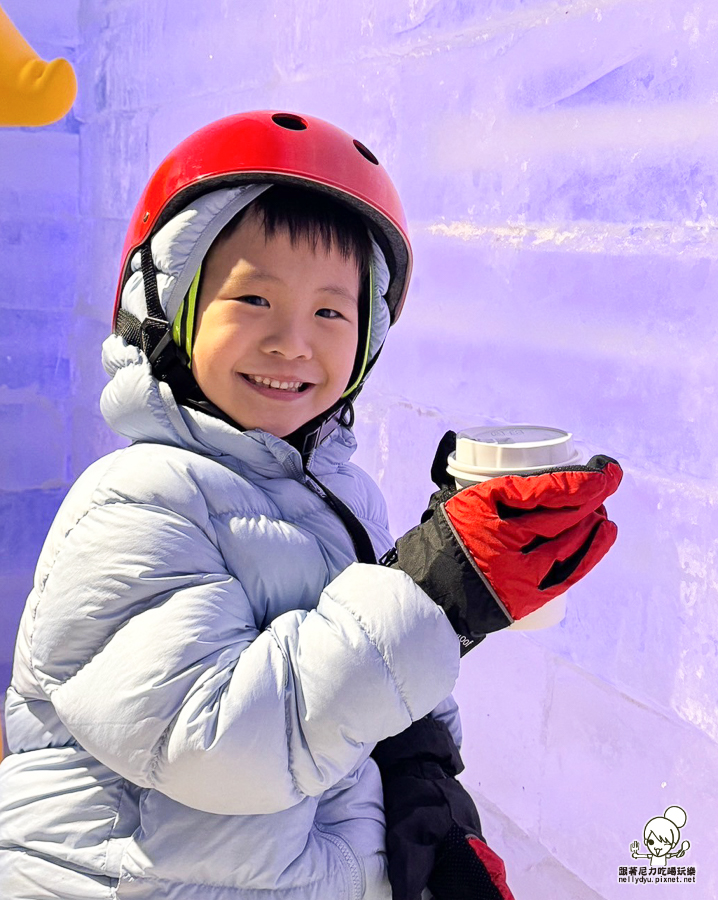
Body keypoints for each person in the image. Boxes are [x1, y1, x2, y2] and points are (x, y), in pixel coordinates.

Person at [0, 110, 621, 900]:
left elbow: (353, 689)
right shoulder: (132, 503)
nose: (294, 342)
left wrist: (428, 803)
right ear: (168, 310)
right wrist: (432, 593)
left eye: (331, 311)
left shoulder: (337, 492)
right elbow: (215, 741)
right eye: (253, 300)